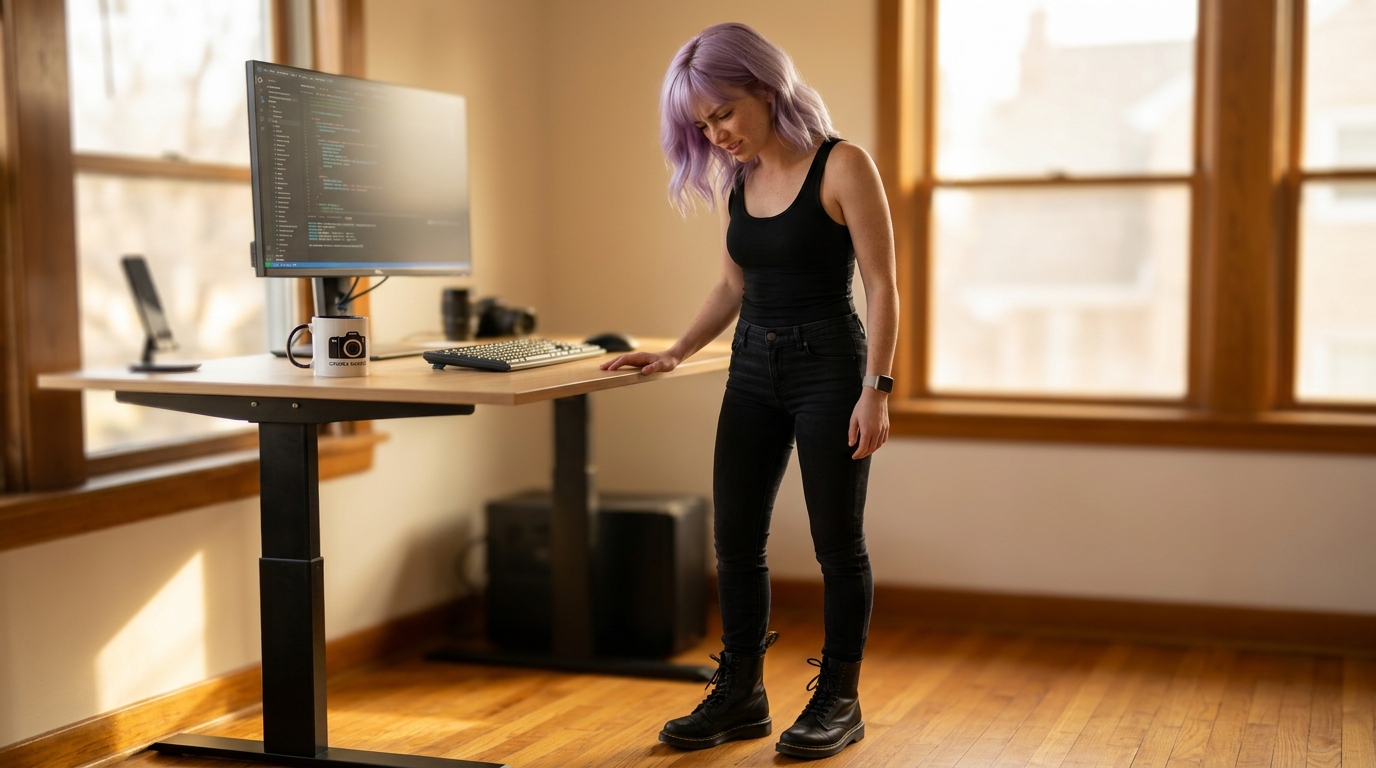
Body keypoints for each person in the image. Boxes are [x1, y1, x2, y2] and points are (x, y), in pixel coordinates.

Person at [601, 22, 898, 760]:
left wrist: (877, 390)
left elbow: (884, 285)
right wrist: (672, 352)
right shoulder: (739, 180)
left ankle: (840, 700)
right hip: (752, 372)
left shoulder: (842, 165)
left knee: (838, 544)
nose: (717, 134)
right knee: (734, 542)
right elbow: (733, 284)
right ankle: (742, 695)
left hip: (831, 369)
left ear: (767, 87)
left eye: (724, 112)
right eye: (702, 124)